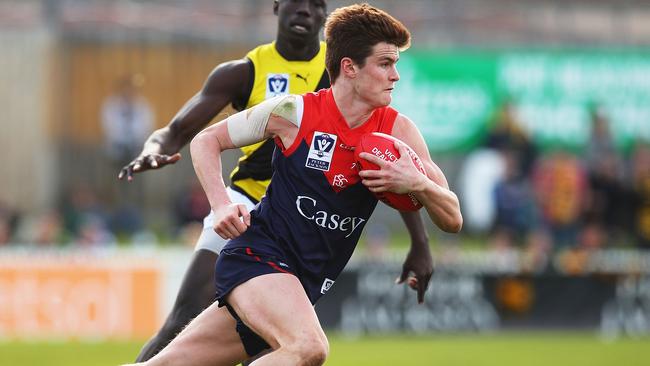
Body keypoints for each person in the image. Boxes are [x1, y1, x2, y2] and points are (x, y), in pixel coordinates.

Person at [122, 4, 462, 366]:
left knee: (166, 364)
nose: (395, 76)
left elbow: (453, 217)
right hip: (258, 257)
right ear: (349, 67)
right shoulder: (293, 113)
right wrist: (220, 203)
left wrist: (417, 183)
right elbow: (206, 141)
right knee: (309, 347)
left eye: (395, 64)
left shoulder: (398, 131)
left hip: (304, 280)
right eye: (385, 64)